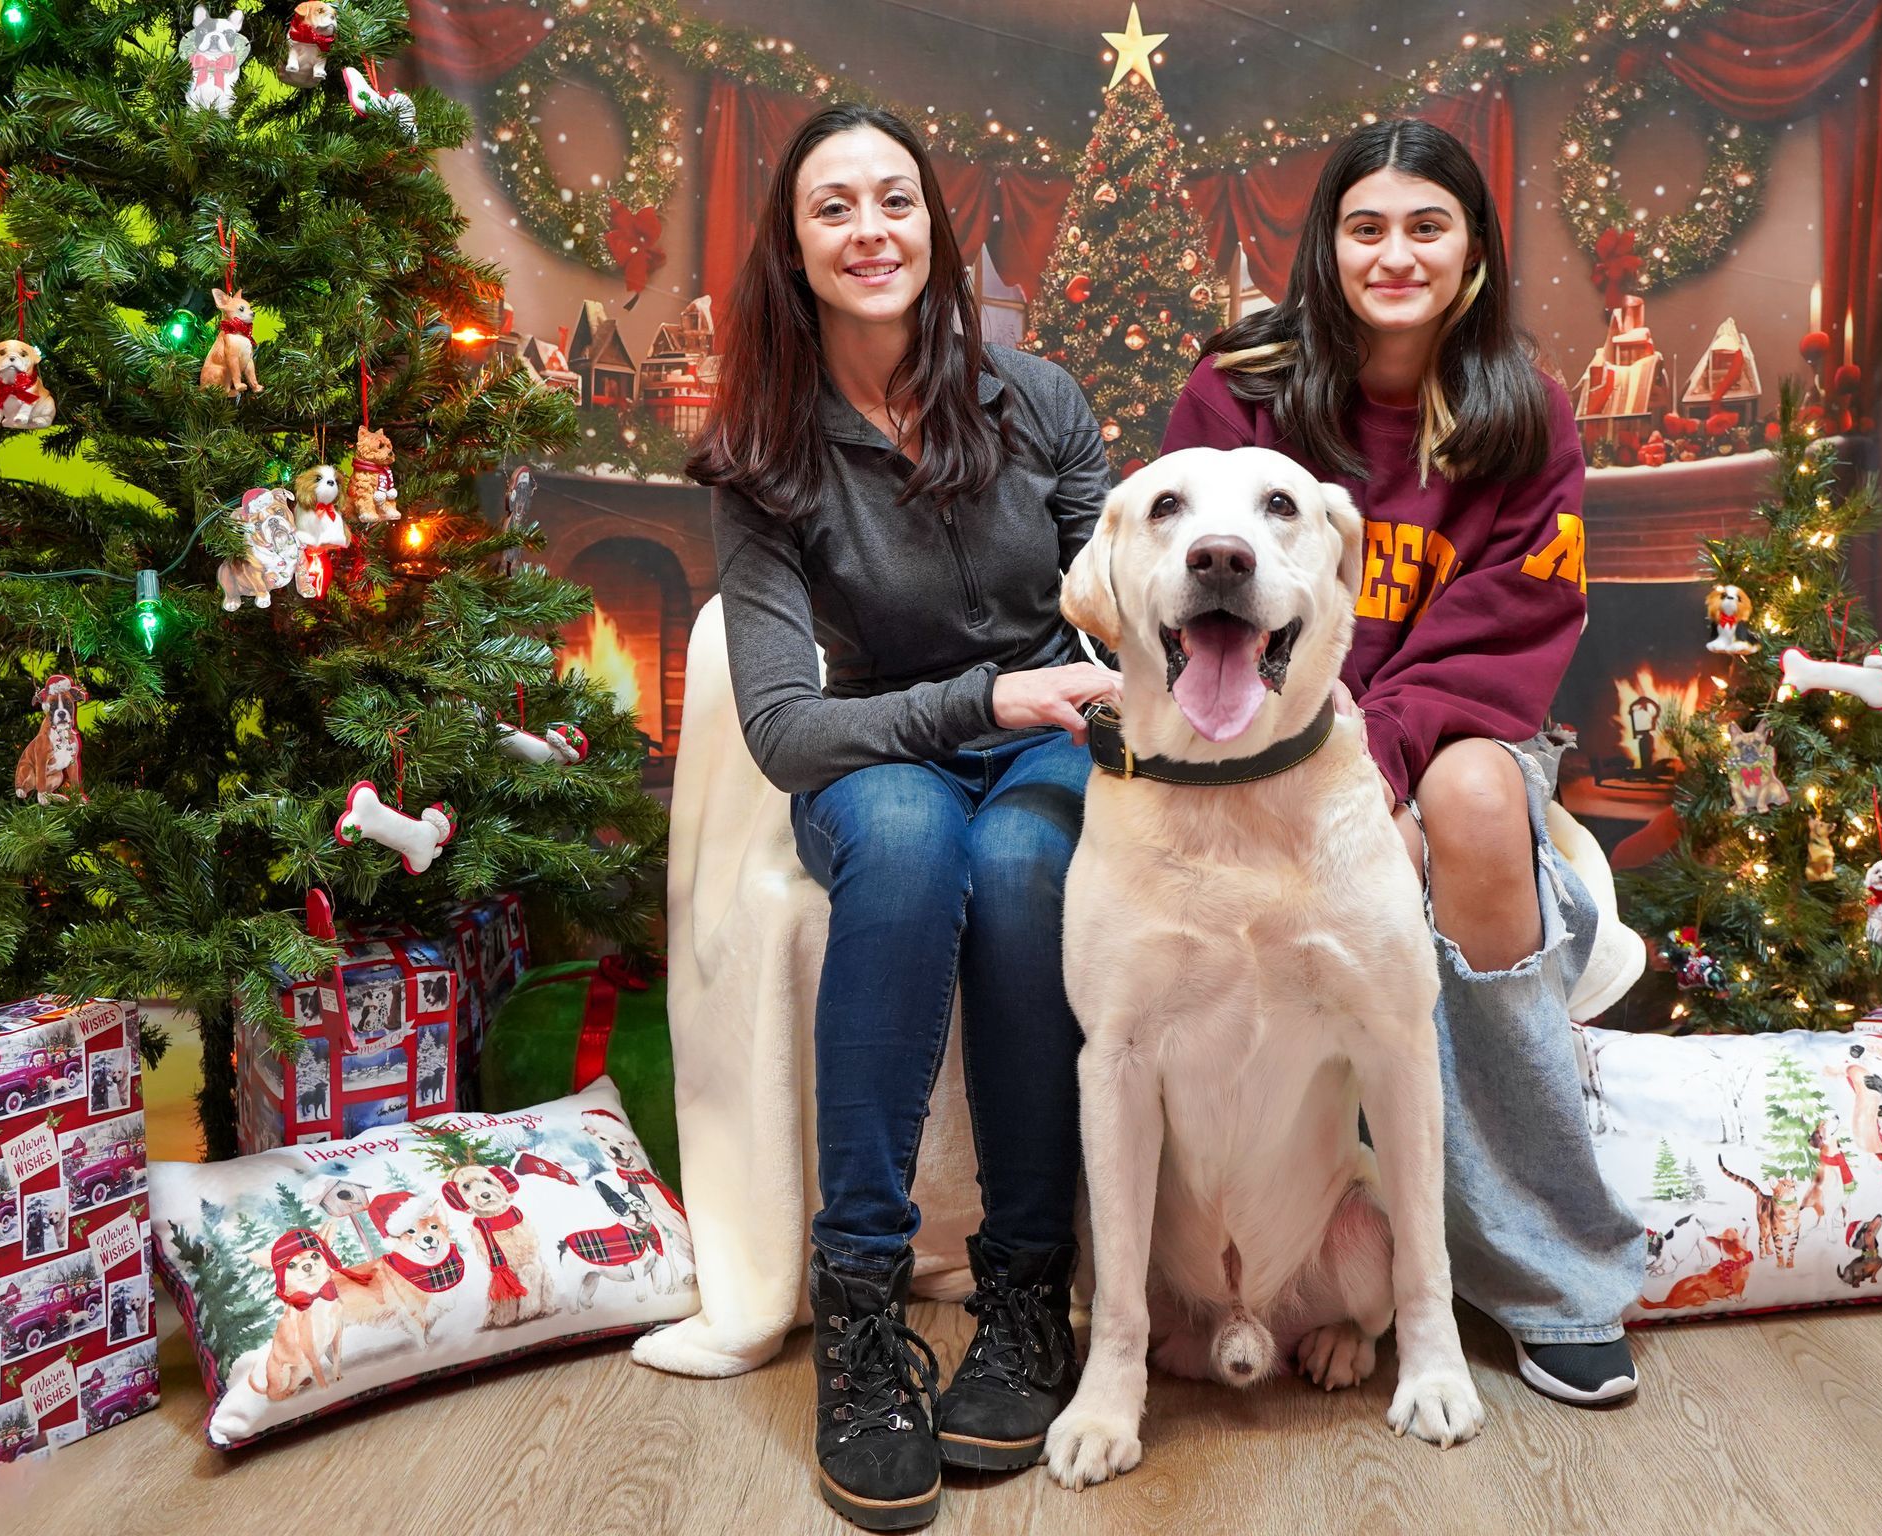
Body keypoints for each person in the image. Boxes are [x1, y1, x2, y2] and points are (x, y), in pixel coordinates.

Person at [1160, 118, 1646, 1406]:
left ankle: (1547, 1273)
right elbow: (1187, 580)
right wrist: (1320, 748)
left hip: (1432, 739)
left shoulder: (1524, 415)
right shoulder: (1240, 386)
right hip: (1255, 737)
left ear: (1474, 249)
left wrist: (1381, 750)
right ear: (1326, 243)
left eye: (1427, 225)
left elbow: (1513, 618)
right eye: (1365, 226)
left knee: (1478, 799)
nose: (1395, 253)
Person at [688, 103, 1120, 1528]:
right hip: (883, 746)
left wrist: (1051, 705)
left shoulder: (1039, 400)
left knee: (1015, 855)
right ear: (794, 246)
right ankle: (861, 1315)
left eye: (895, 201)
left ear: (934, 224)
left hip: (1048, 746)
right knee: (919, 835)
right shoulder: (760, 450)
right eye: (834, 208)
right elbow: (783, 727)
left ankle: (1021, 1297)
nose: (869, 231)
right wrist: (975, 707)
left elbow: (1113, 624)